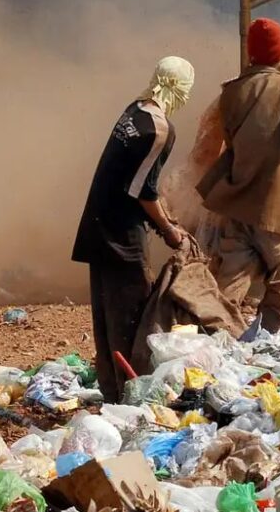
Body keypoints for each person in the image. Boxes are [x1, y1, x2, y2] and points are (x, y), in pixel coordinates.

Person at [71, 56, 195, 402]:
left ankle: (112, 391)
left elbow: (132, 180)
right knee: (132, 317)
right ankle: (134, 396)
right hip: (122, 236)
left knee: (106, 317)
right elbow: (143, 191)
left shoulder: (134, 111)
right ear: (180, 88)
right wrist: (169, 230)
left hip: (98, 225)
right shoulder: (158, 129)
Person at [199, 18, 280, 332]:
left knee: (233, 273)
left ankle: (218, 333)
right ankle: (270, 333)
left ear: (251, 53)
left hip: (236, 198)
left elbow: (224, 141)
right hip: (275, 200)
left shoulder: (230, 92)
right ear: (279, 54)